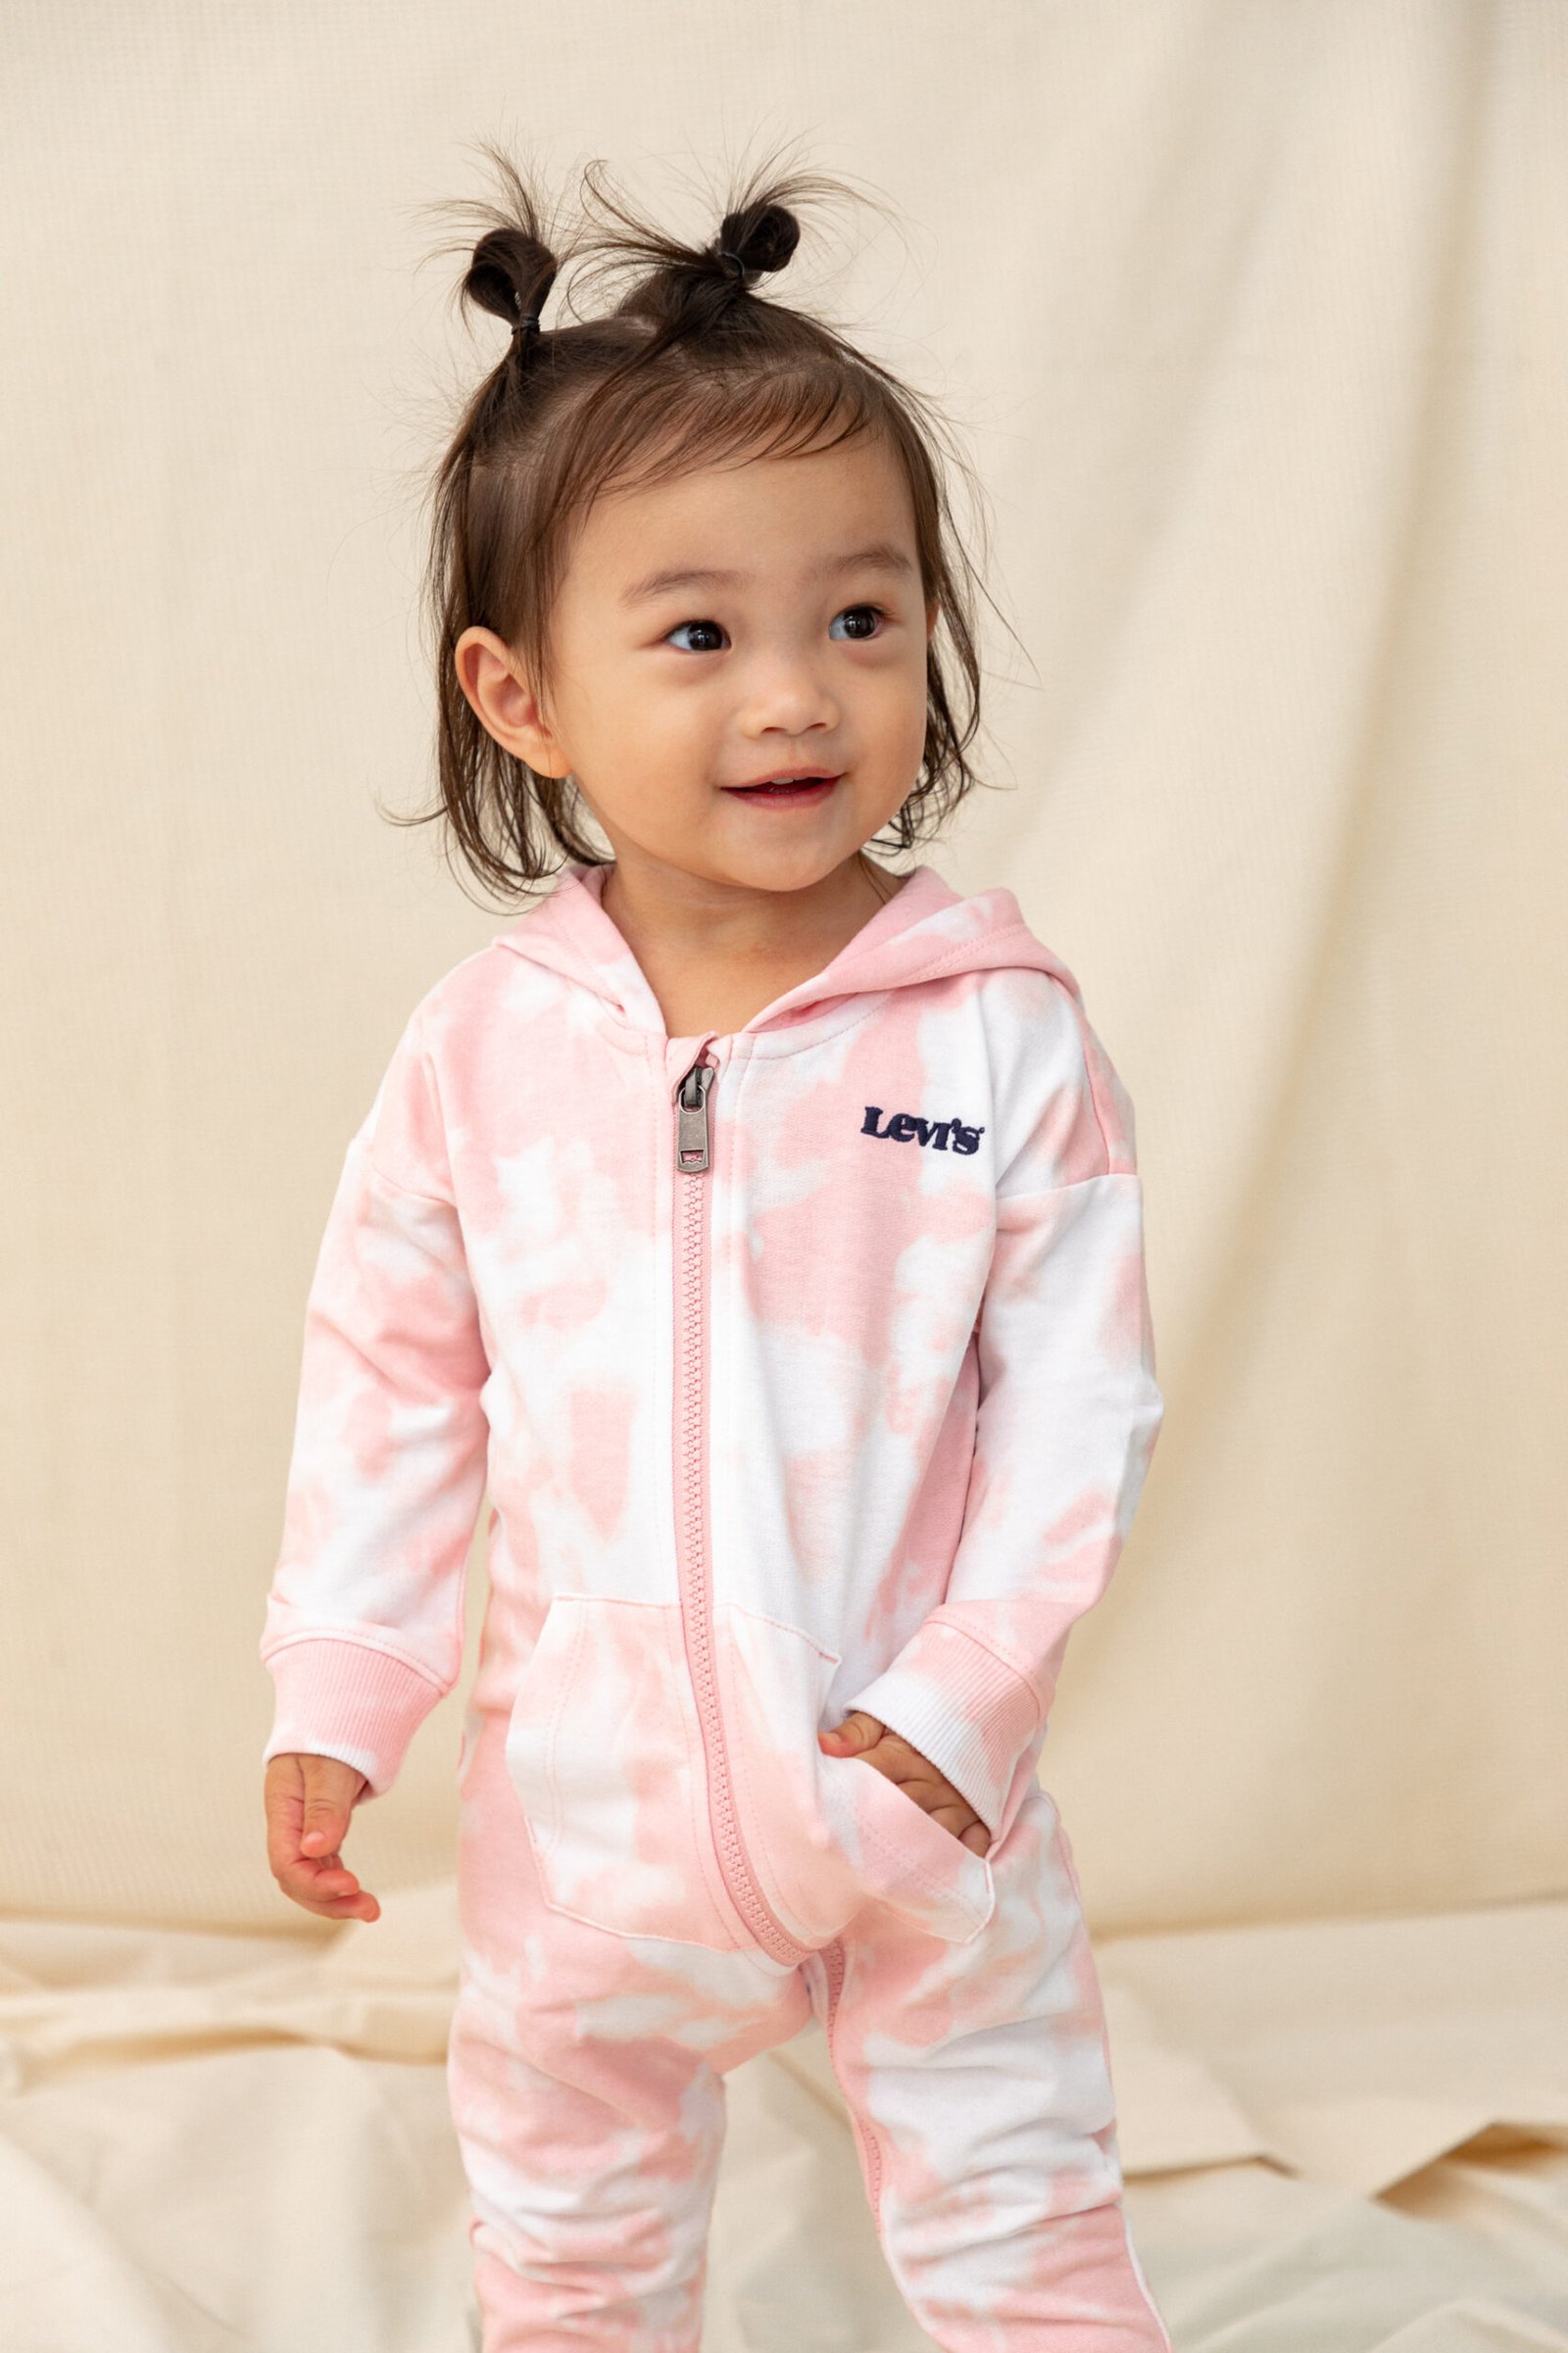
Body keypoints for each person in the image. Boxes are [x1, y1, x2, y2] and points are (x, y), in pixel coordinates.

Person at [259, 142, 1171, 2352]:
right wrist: (344, 1684)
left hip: (919, 1805)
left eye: (859, 619)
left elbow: (1079, 1405)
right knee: (567, 2254)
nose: (793, 695)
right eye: (698, 636)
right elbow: (390, 1375)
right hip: (588, 1829)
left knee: (1024, 2233)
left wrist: (956, 1705)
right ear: (522, 699)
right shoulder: (485, 1051)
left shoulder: (995, 1030)